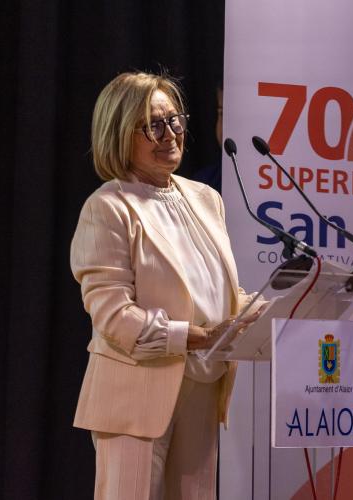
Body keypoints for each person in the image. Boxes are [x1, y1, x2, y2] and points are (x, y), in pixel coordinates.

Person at [70, 71, 261, 500]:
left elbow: (219, 293)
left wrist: (277, 306)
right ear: (119, 134)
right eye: (152, 125)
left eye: (174, 120)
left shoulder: (206, 198)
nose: (170, 134)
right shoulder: (108, 207)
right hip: (135, 396)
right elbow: (114, 317)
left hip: (203, 386)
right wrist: (196, 337)